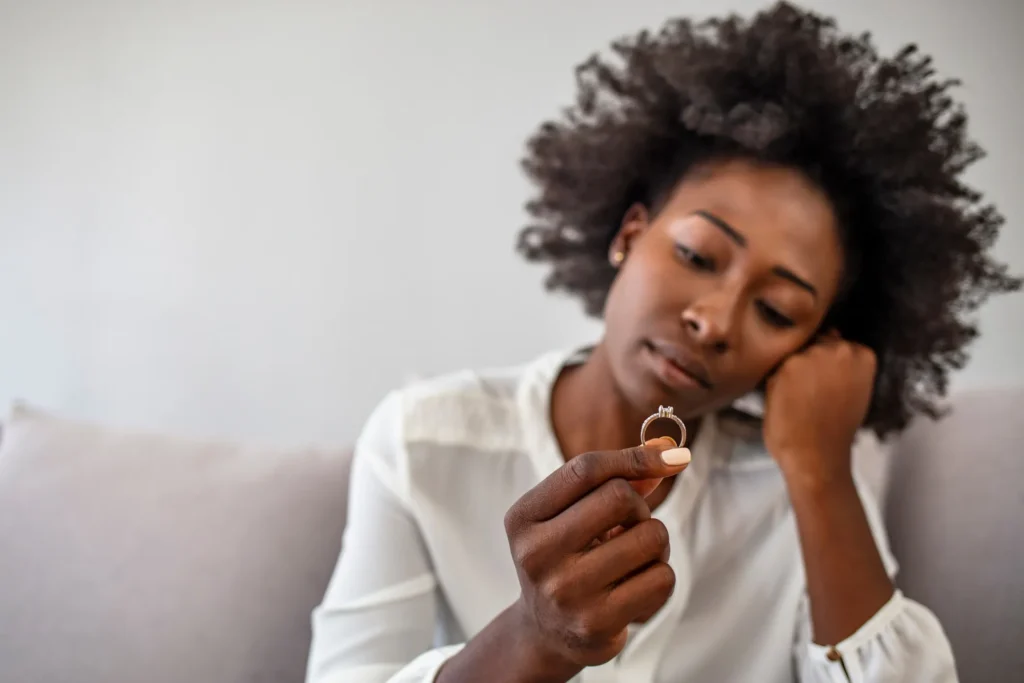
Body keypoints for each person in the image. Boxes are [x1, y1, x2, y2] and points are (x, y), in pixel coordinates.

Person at [305, 3, 1020, 682]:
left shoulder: (804, 483)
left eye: (775, 309)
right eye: (698, 256)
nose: (713, 321)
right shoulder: (426, 441)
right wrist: (534, 636)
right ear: (628, 234)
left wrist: (819, 472)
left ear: (811, 345)